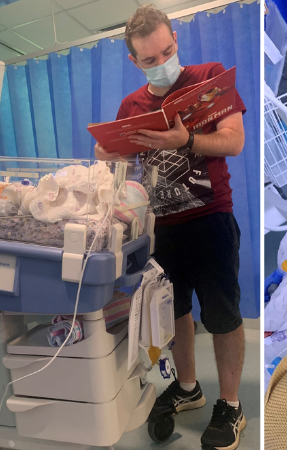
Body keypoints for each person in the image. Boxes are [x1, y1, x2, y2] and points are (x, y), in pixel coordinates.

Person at [95, 4, 247, 449]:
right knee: (175, 312)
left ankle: (232, 405)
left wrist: (189, 140)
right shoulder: (132, 106)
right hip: (162, 227)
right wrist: (108, 157)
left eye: (166, 52)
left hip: (211, 217)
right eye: (149, 60)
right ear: (134, 62)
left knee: (222, 314)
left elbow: (235, 141)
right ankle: (188, 388)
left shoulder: (208, 79)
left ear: (175, 40)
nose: (162, 64)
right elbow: (117, 160)